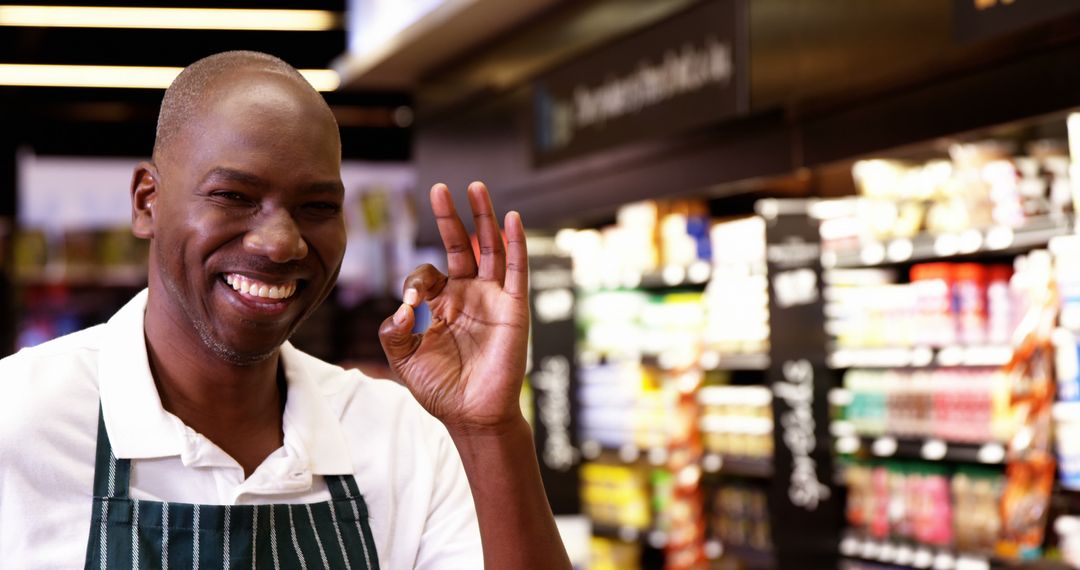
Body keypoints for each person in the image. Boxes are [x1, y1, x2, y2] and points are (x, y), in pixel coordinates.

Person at [0, 51, 571, 569]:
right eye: (234, 197)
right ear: (147, 202)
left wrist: (491, 431)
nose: (281, 243)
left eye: (317, 205)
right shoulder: (17, 421)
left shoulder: (402, 438)